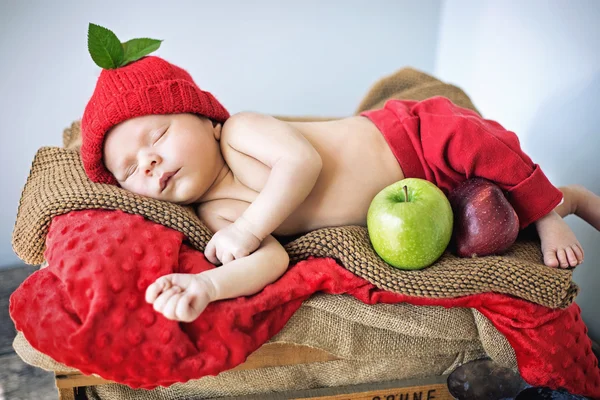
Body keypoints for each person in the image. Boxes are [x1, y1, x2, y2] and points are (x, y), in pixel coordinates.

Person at [80, 56, 599, 322]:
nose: (147, 163)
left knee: (477, 141)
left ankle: (554, 206)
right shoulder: (218, 211)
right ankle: (566, 199)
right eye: (129, 171)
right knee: (486, 232)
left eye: (158, 136)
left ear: (203, 117)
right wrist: (208, 287)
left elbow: (299, 162)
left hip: (412, 138)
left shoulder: (240, 131)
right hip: (423, 202)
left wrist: (250, 226)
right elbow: (269, 261)